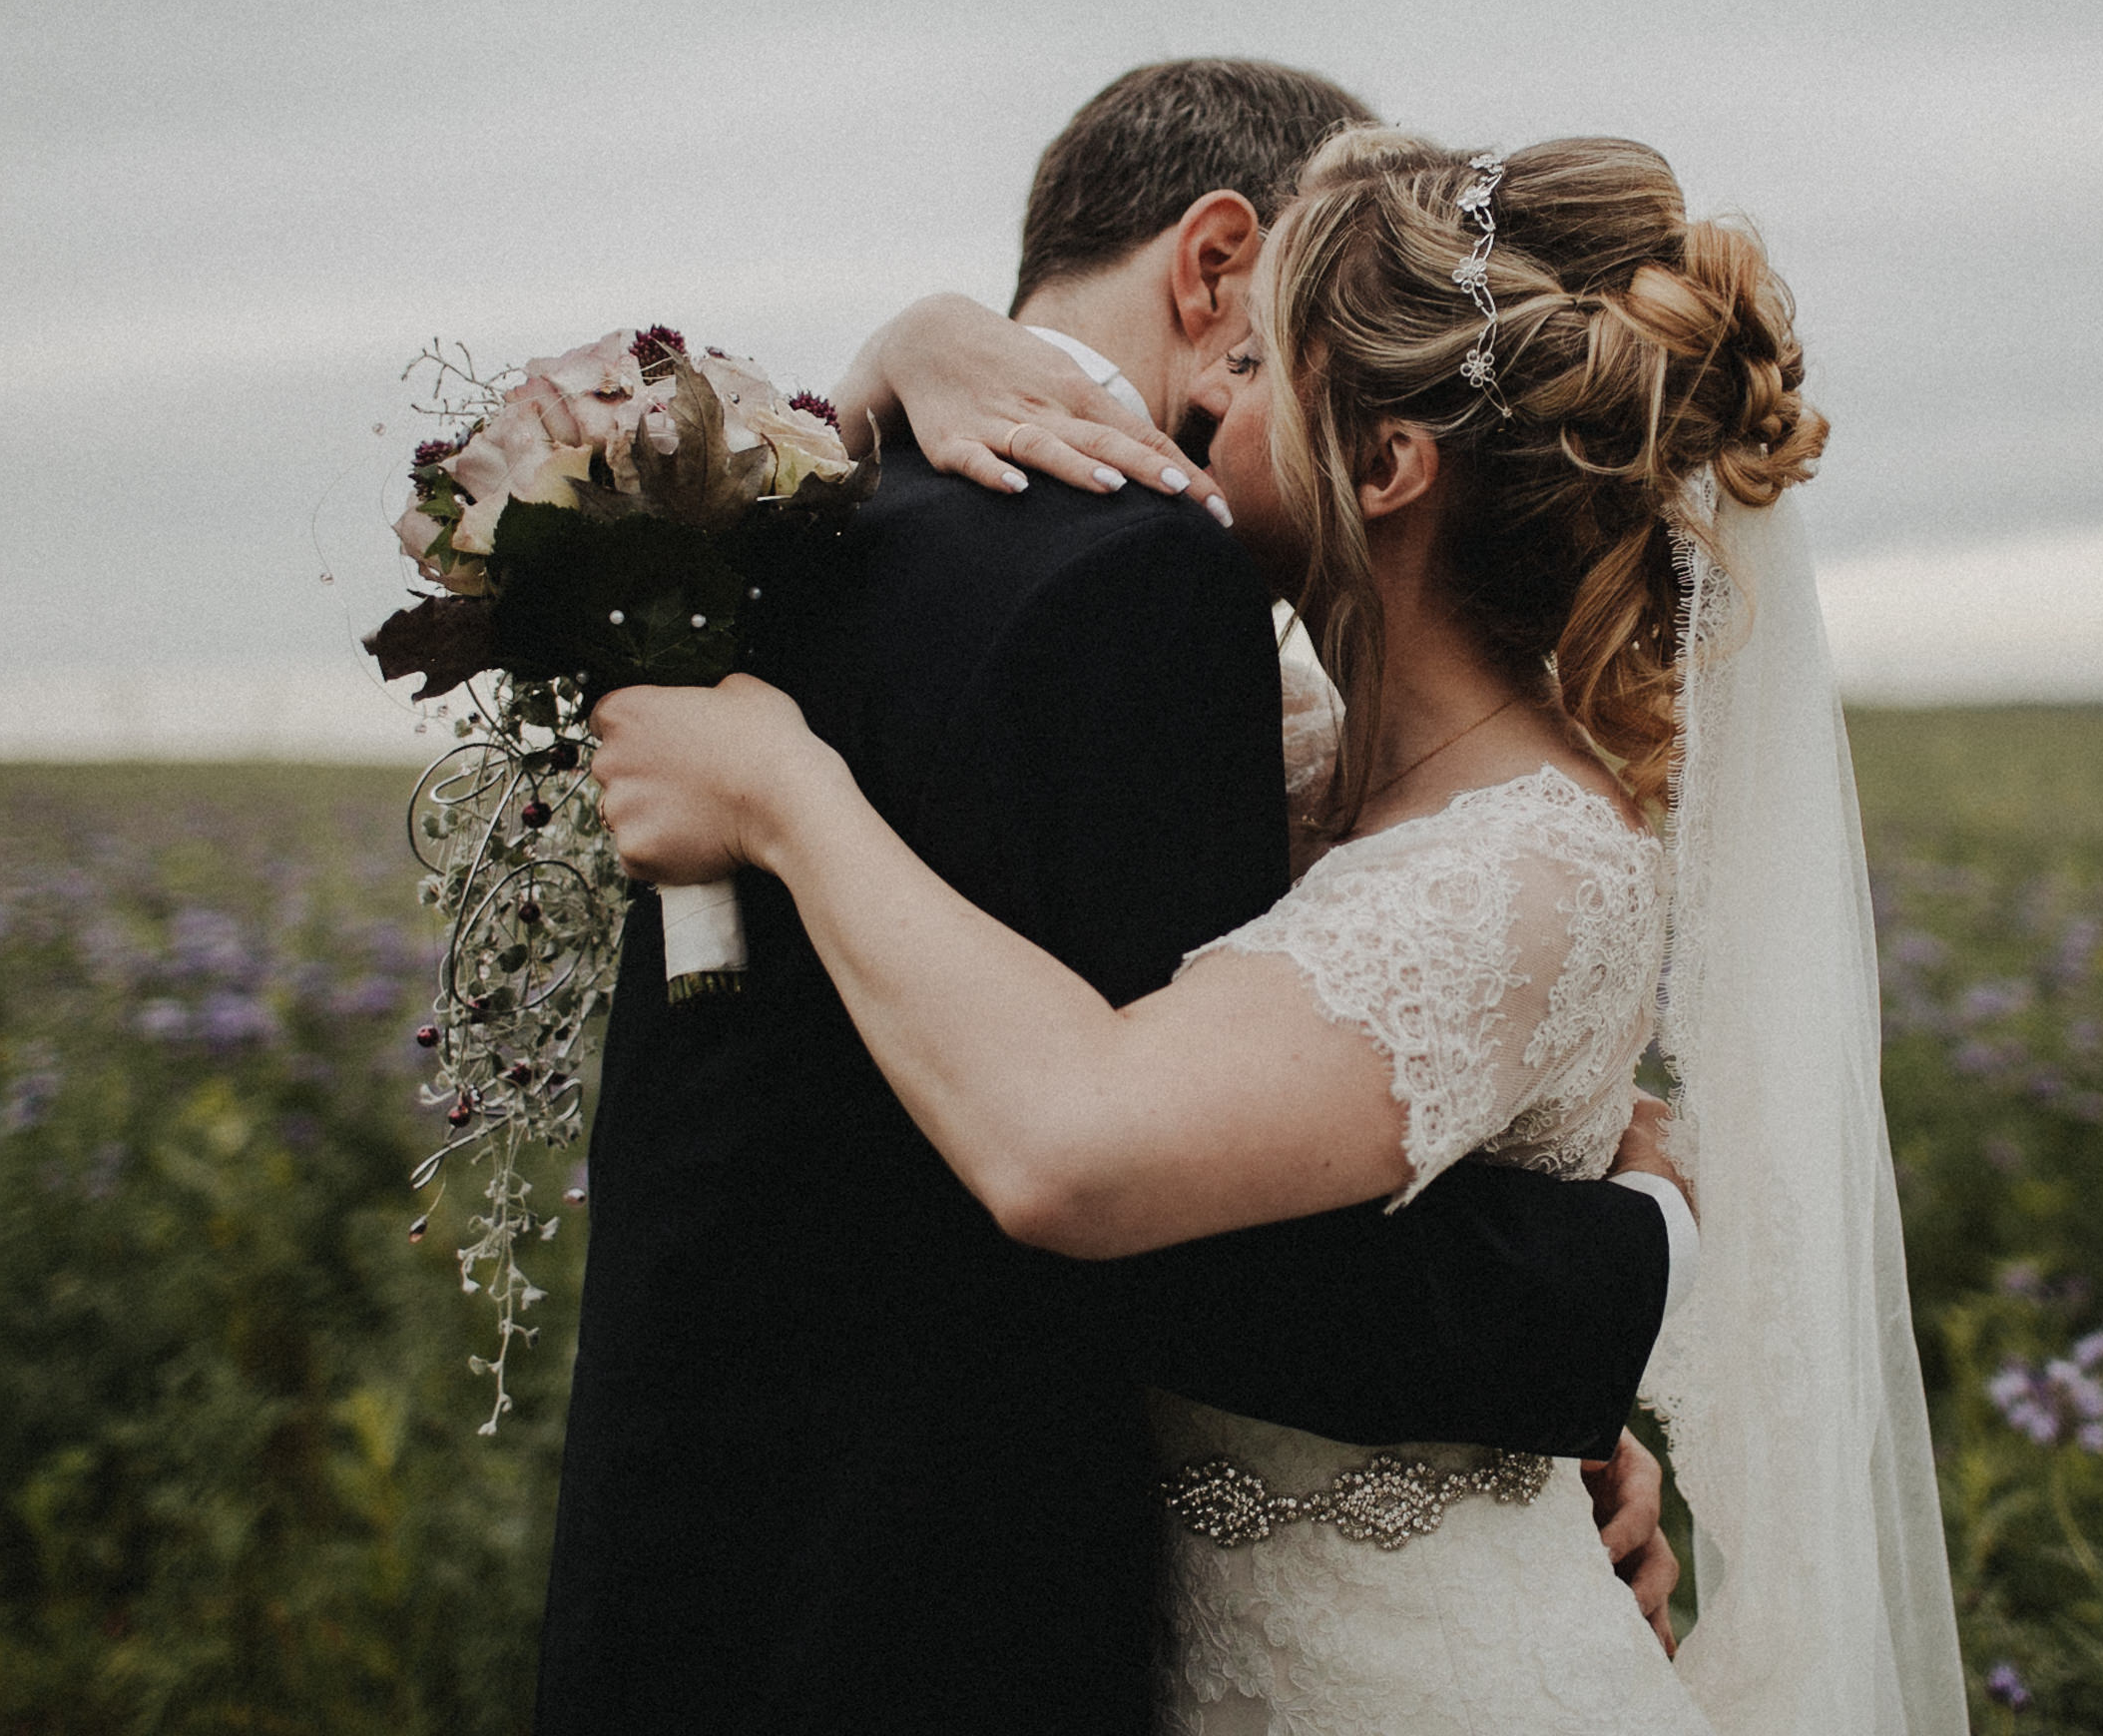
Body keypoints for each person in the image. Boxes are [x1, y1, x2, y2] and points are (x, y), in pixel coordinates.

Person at [596, 126, 1970, 1731]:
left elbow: (1074, 1146)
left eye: (1249, 364)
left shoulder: (1526, 862)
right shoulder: (1310, 749)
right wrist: (913, 341)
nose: (1193, 397)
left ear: (1385, 467)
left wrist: (778, 796)